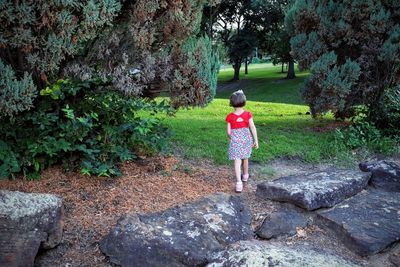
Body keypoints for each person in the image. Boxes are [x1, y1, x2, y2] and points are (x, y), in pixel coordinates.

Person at [225, 90, 259, 193]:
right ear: (244, 102)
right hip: (246, 140)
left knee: (237, 160)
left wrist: (233, 138)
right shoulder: (247, 115)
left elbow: (228, 132)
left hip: (236, 141)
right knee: (245, 158)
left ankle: (239, 183)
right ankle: (245, 176)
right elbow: (253, 127)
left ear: (231, 103)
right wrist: (256, 140)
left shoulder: (230, 117)